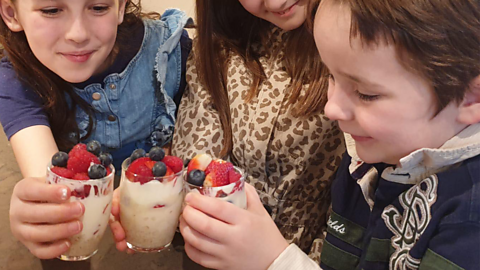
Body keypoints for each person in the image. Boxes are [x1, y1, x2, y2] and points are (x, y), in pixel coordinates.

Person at [176, 0, 480, 269]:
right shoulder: (364, 164)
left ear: (472, 98)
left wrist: (275, 261)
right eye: (330, 76)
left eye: (366, 94)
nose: (331, 108)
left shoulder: (466, 219)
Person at [0, 0, 191, 259]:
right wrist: (45, 211)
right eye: (52, 10)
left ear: (121, 7)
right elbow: (49, 182)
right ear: (11, 13)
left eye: (98, 7)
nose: (78, 34)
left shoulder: (170, 50)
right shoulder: (15, 78)